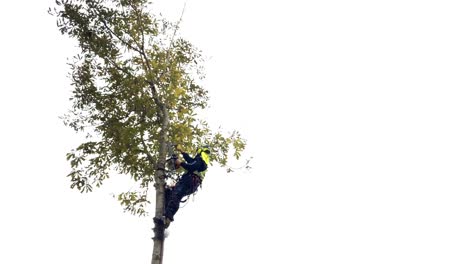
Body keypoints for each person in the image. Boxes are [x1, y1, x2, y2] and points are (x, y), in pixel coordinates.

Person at [164, 145, 210, 227]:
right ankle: (165, 214)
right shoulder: (200, 160)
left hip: (189, 180)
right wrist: (182, 151)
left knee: (176, 195)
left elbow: (191, 167)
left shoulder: (200, 160)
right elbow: (190, 160)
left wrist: (180, 163)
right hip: (190, 183)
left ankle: (168, 217)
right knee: (169, 193)